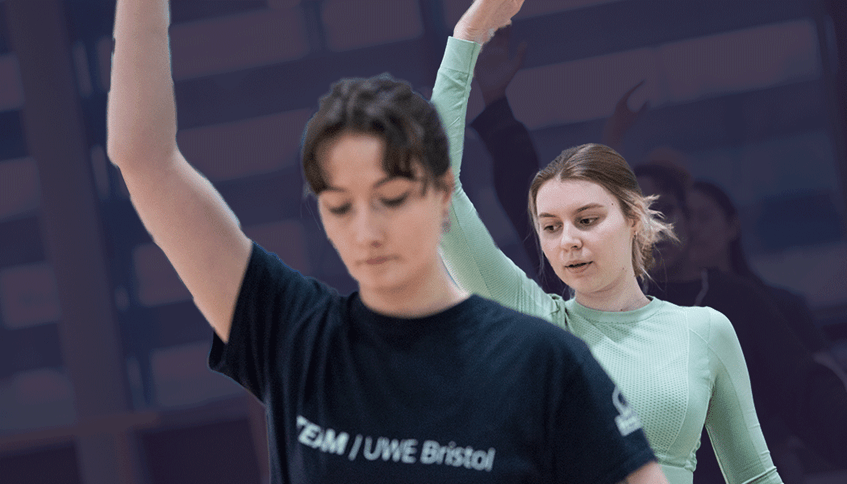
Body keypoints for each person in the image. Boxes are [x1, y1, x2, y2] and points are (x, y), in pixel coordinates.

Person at [106, 0, 668, 482]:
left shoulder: (541, 362)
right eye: (340, 206)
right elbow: (144, 158)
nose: (366, 230)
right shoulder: (292, 332)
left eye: (391, 197)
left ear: (443, 191)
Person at [438, 54, 784, 483]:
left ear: (634, 219)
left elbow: (754, 476)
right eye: (550, 227)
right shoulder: (539, 326)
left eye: (587, 220)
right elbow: (442, 197)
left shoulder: (703, 330)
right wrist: (466, 40)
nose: (569, 240)